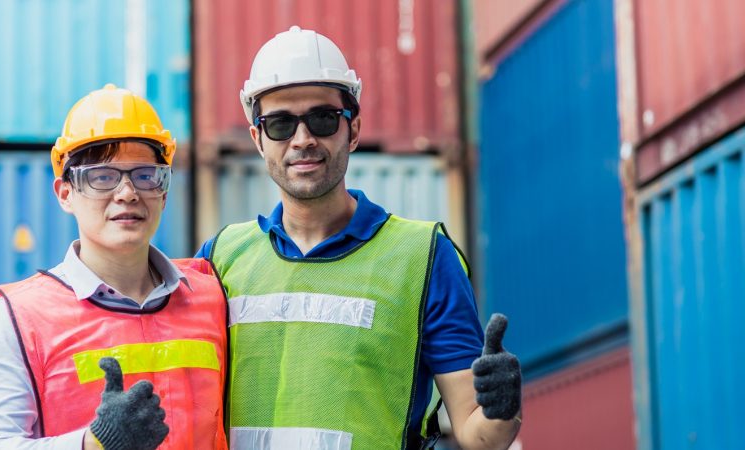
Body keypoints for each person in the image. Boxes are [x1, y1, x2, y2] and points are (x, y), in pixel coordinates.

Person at [196, 26, 522, 449]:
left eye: (322, 118)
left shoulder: (423, 258)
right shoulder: (219, 259)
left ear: (353, 129)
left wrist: (503, 408)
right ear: (258, 139)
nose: (303, 139)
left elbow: (481, 437)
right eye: (280, 124)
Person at [0, 84, 228, 450]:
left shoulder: (212, 297)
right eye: (102, 176)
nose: (127, 192)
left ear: (163, 192)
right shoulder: (16, 319)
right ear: (65, 193)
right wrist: (94, 443)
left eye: (145, 175)